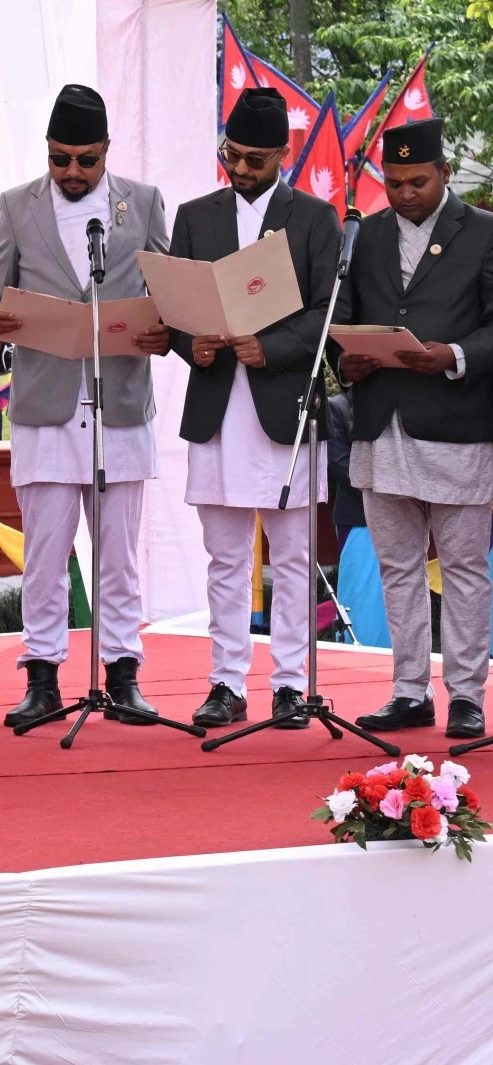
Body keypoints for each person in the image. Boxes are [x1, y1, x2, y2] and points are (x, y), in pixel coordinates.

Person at [0, 84, 174, 729]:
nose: (71, 173)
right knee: (46, 551)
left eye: (85, 161)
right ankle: (42, 678)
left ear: (106, 152)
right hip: (45, 403)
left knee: (118, 552)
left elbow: (170, 291)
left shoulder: (140, 202)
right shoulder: (16, 204)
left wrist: (165, 329)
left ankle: (122, 675)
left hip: (119, 399)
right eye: (61, 159)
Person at [166, 86, 339, 731]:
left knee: (293, 555)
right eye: (231, 155)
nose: (240, 169)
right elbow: (173, 306)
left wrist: (271, 348)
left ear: (282, 155)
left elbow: (329, 316)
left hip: (283, 406)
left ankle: (292, 683)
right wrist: (194, 344)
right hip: (216, 404)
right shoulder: (195, 216)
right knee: (226, 558)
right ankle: (226, 682)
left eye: (255, 160)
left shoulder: (314, 219)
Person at [338, 118, 493, 738]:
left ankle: (465, 695)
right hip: (382, 423)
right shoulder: (365, 237)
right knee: (396, 565)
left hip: (456, 423)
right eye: (395, 181)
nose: (404, 193)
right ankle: (408, 692)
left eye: (418, 182)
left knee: (462, 566)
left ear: (445, 175)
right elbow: (344, 318)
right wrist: (345, 362)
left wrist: (452, 355)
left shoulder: (483, 232)